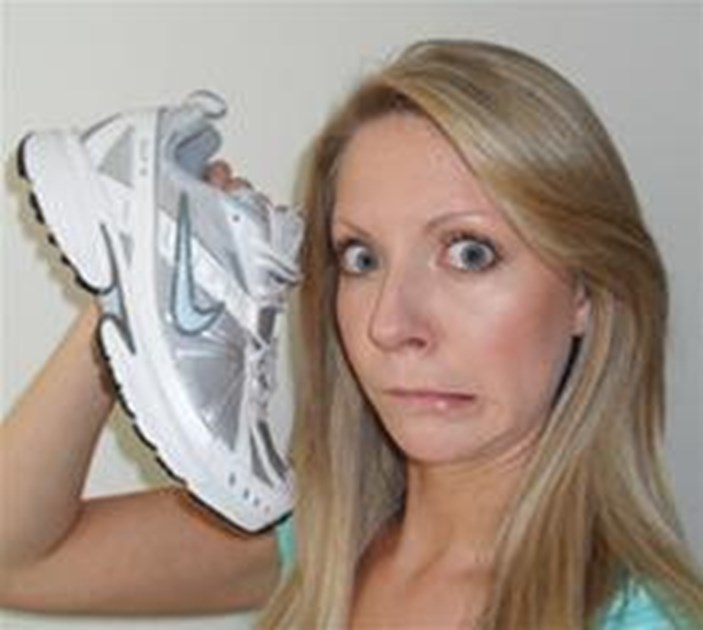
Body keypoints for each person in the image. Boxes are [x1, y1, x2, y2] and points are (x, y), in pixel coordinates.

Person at [1, 39, 702, 628]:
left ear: (585, 292)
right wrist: (137, 276)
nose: (390, 325)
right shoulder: (322, 543)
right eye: (361, 259)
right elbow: (16, 559)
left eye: (470, 253)